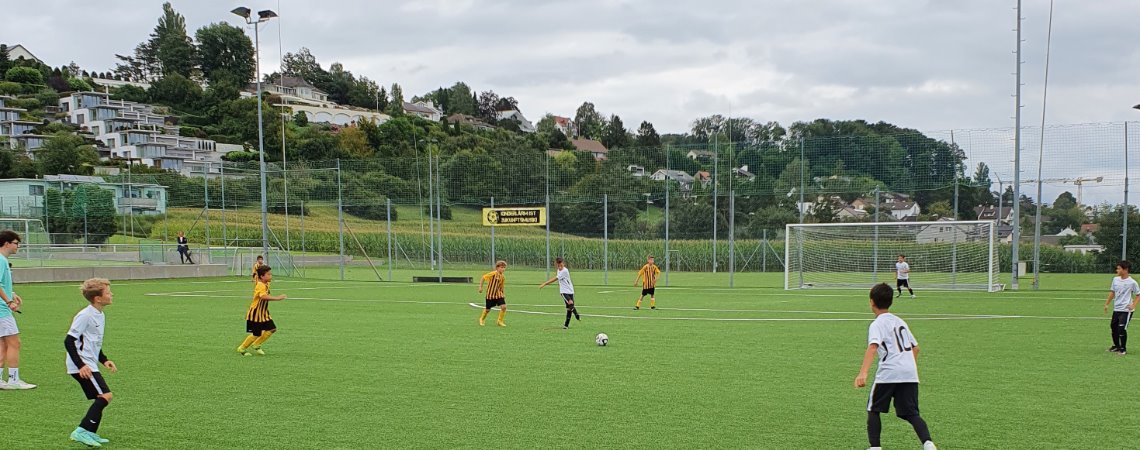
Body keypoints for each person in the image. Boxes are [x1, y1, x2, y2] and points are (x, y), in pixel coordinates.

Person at [855, 283, 937, 450]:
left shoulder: (877, 324)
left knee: (873, 409)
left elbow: (873, 347)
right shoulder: (900, 321)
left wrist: (862, 373)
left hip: (889, 372)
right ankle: (928, 444)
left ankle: (875, 447)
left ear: (871, 302)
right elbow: (916, 348)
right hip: (909, 373)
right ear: (891, 301)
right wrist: (906, 365)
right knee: (911, 413)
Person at [65, 278, 118, 447]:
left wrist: (104, 359)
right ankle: (81, 431)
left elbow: (94, 341)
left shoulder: (99, 314)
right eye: (108, 293)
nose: (111, 295)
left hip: (90, 363)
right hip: (82, 365)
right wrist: (81, 365)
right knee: (105, 396)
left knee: (100, 397)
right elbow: (69, 341)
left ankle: (89, 432)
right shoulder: (85, 315)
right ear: (98, 298)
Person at [0, 230, 33, 390]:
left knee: (3, 345)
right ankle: (14, 380)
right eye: (16, 243)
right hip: (2, 311)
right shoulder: (1, 260)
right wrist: (9, 301)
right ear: (6, 243)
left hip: (2, 309)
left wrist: (11, 293)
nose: (17, 246)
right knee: (14, 343)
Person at [236, 265, 287, 356]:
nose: (270, 276)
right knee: (256, 334)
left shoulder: (266, 283)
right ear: (262, 276)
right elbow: (263, 296)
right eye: (268, 274)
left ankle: (256, 344)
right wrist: (277, 298)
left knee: (272, 329)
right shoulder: (260, 285)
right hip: (256, 313)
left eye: (270, 274)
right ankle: (242, 348)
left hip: (263, 313)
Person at [1105, 260, 1140, 355]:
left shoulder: (1132, 282)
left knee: (1122, 328)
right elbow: (1112, 292)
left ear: (1125, 270)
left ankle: (1123, 349)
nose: (1117, 270)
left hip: (1126, 310)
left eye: (1119, 268)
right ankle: (1116, 346)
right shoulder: (1115, 280)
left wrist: (1133, 305)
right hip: (1117, 309)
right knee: (1113, 327)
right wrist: (1107, 304)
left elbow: (1138, 295)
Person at [540, 257, 580, 329]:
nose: (560, 267)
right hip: (564, 292)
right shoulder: (559, 270)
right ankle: (576, 314)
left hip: (570, 290)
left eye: (561, 265)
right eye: (558, 266)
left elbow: (555, 279)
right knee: (570, 303)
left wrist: (545, 283)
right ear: (556, 265)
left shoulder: (565, 271)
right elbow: (557, 278)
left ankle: (566, 325)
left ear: (563, 264)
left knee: (569, 309)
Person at [478, 260, 508, 327]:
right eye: (501, 267)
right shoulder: (493, 274)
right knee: (488, 309)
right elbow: (483, 277)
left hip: (498, 294)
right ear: (497, 268)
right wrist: (480, 287)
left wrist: (503, 294)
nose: (503, 269)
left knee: (504, 307)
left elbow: (501, 287)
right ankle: (482, 319)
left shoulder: (502, 277)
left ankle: (500, 321)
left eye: (504, 267)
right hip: (490, 295)